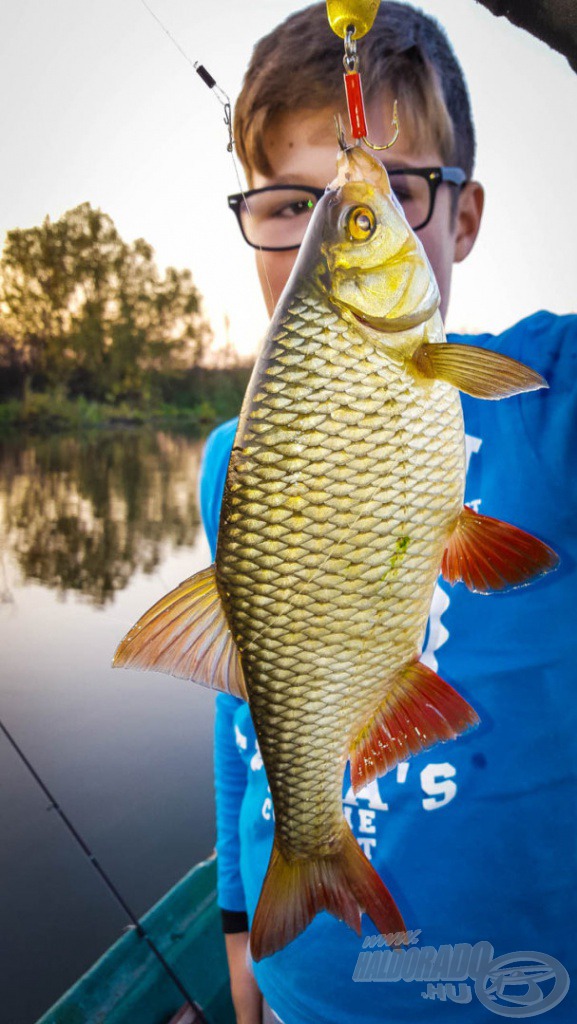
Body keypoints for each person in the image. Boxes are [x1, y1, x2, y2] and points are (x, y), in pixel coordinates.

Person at [199, 4, 577, 1022]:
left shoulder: (549, 395)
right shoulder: (235, 459)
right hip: (300, 988)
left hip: (519, 993)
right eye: (288, 203)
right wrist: (238, 923)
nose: (326, 223)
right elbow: (245, 706)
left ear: (461, 218)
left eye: (386, 193)